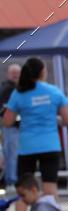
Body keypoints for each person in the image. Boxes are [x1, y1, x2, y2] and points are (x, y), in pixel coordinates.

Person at [2, 58, 68, 208]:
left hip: (27, 146)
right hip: (50, 145)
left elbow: (7, 122)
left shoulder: (19, 93)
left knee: (23, 190)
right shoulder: (54, 91)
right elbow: (67, 121)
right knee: (50, 188)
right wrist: (52, 118)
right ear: (42, 73)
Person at [0, 63, 21, 191]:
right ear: (8, 74)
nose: (15, 76)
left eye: (17, 73)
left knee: (14, 154)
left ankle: (14, 179)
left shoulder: (18, 87)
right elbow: (4, 109)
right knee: (11, 154)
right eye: (13, 73)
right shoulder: (7, 88)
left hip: (16, 127)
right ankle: (11, 181)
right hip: (11, 127)